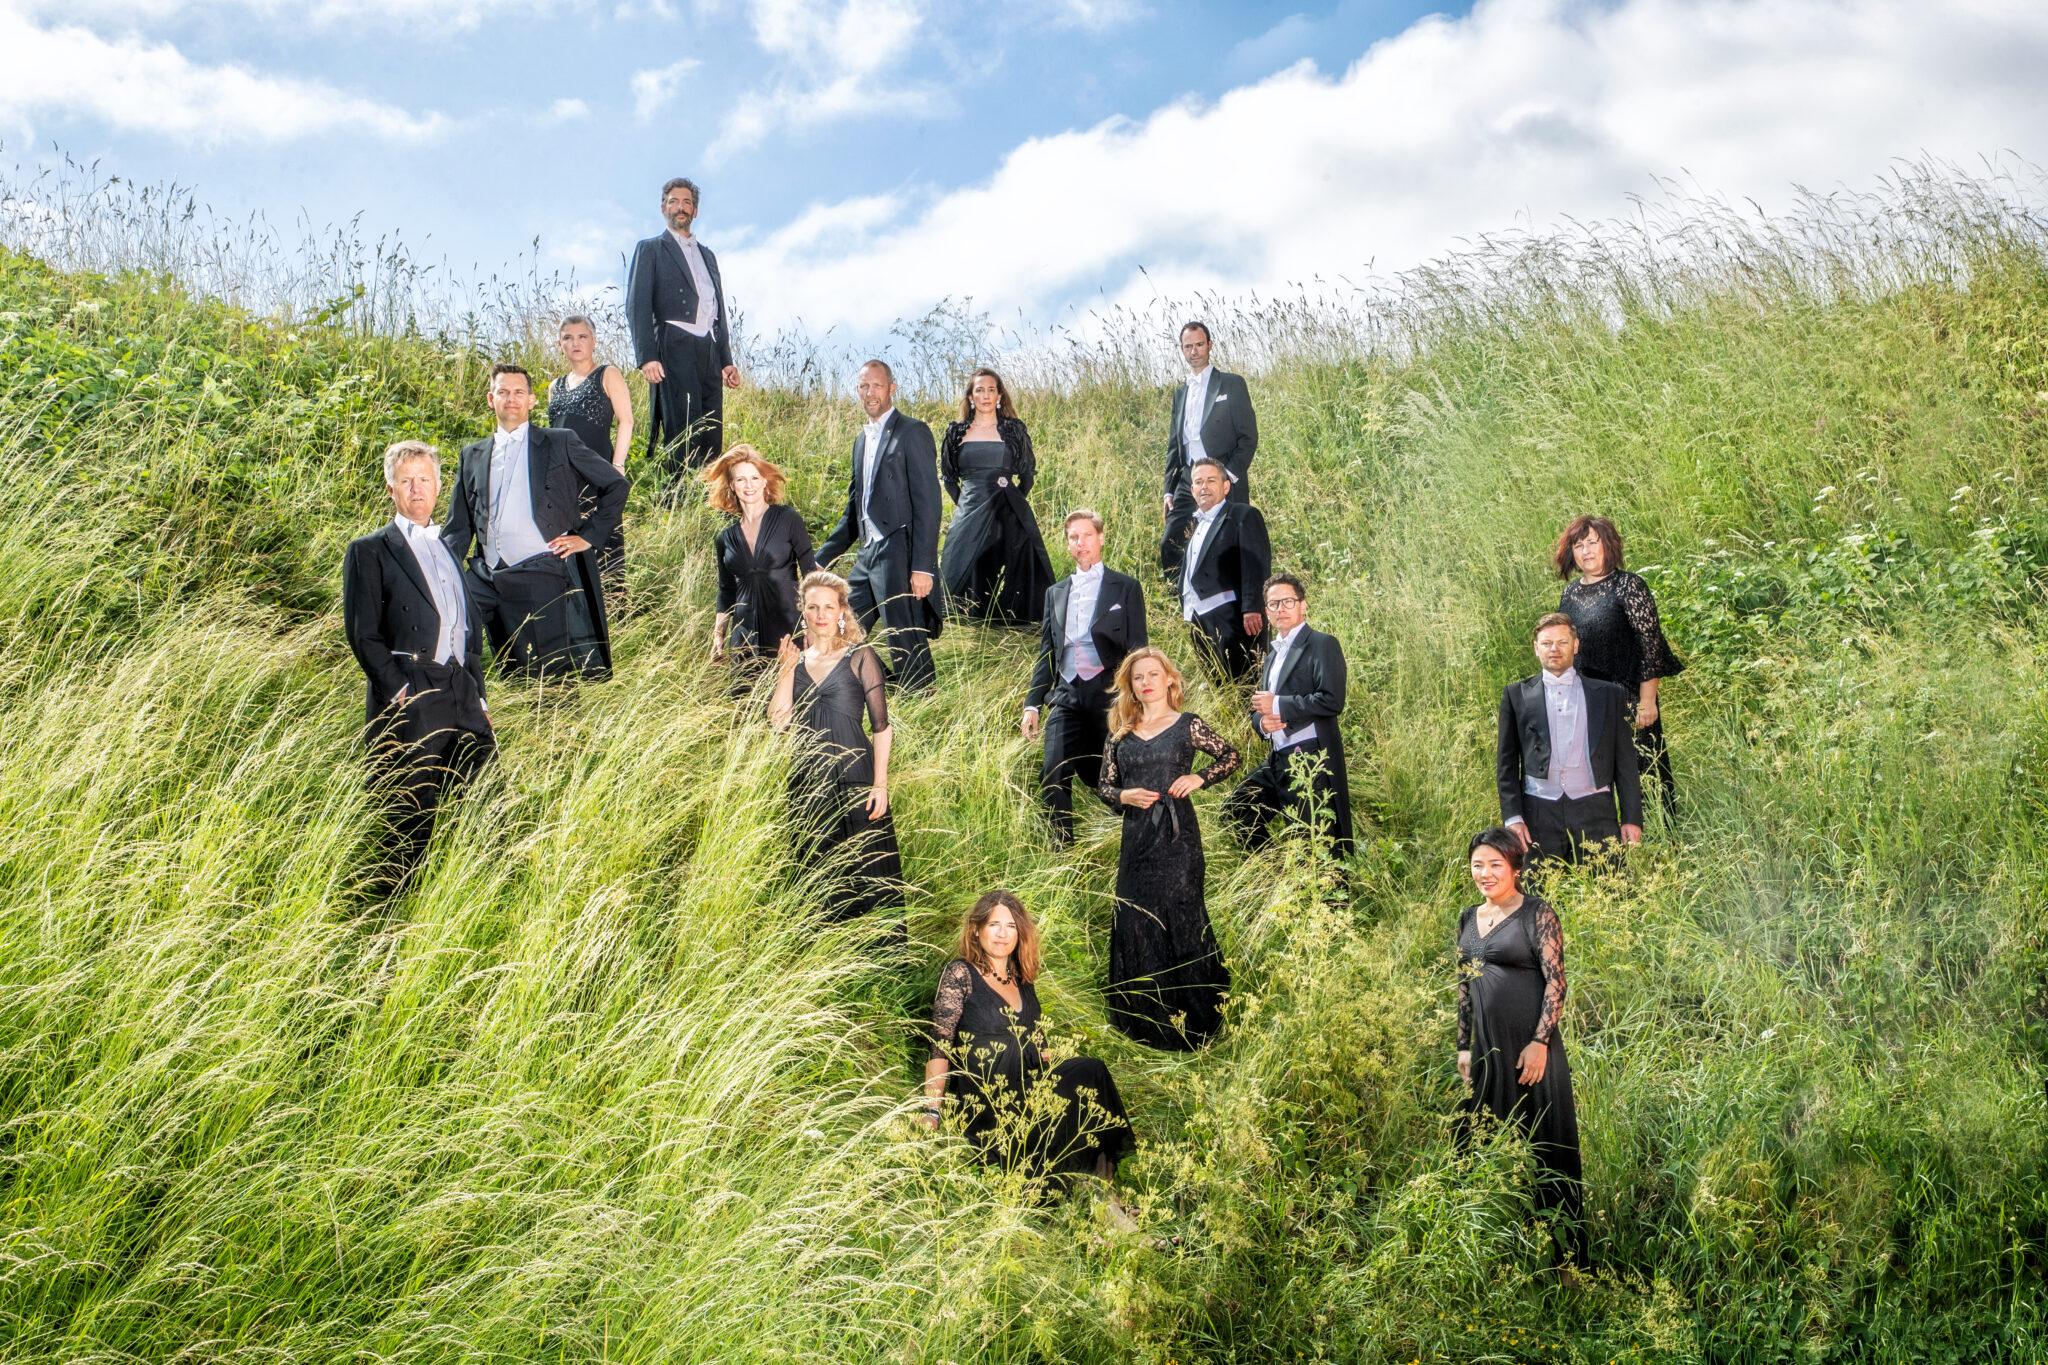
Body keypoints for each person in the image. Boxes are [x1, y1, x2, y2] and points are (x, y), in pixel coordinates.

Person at [342, 441, 495, 888]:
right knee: (410, 810)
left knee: (485, 797)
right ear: (391, 488)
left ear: (438, 485)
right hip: (412, 688)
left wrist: (479, 694)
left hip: (460, 687)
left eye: (424, 480)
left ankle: (472, 894)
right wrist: (399, 690)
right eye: (406, 481)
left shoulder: (449, 549)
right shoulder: (370, 550)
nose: (416, 489)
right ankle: (397, 910)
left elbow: (468, 629)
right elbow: (362, 632)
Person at [921, 890, 1136, 1192]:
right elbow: (940, 1045)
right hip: (990, 1096)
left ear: (1020, 934)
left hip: (1030, 1085)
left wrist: (1056, 1081)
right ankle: (1085, 1190)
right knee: (1018, 1059)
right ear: (977, 929)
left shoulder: (1022, 978)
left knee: (1092, 1072)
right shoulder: (961, 974)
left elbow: (1040, 1042)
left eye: (1011, 926)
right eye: (994, 924)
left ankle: (1105, 1194)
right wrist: (932, 1111)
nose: (1002, 934)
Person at [1096, 647, 1241, 1050]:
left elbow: (1232, 756)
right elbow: (1104, 787)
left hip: (1179, 842)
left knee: (1181, 914)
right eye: (1138, 677)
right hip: (1137, 841)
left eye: (1153, 675)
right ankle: (1145, 1020)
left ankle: (1197, 1020)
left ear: (1169, 680)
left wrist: (1198, 779)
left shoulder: (1187, 725)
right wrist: (1123, 796)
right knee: (1136, 918)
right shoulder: (1120, 732)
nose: (1146, 682)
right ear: (1131, 686)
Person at [443, 364, 628, 679]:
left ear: (531, 400)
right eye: (503, 392)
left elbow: (616, 485)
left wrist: (588, 535)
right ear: (491, 399)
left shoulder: (560, 442)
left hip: (541, 569)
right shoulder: (472, 455)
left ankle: (559, 724)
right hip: (485, 575)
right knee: (451, 633)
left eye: (519, 392)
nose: (511, 399)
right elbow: (458, 526)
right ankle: (467, 708)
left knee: (551, 675)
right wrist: (441, 575)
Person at [1456, 826, 1587, 1270]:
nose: (1485, 873)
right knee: (1481, 1143)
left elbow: (1557, 981)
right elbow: (1464, 985)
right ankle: (1494, 1254)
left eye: (1495, 864)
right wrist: (1463, 1047)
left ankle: (1568, 1262)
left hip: (1533, 1056)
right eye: (1478, 864)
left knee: (1548, 1149)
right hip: (1489, 1055)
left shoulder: (1537, 913)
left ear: (1515, 867)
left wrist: (1539, 1041)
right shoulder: (1467, 917)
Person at [769, 571, 904, 938]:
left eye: (829, 606)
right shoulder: (795, 661)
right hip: (807, 776)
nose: (821, 613)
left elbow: (881, 726)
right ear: (804, 612)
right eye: (813, 607)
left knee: (865, 860)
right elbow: (778, 723)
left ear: (842, 611)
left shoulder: (860, 656)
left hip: (855, 773)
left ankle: (879, 951)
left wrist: (881, 784)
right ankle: (823, 945)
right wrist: (784, 671)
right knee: (816, 859)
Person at [1022, 510, 1148, 846]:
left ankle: (1134, 839)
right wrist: (1032, 704)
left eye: (1087, 535)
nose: (1081, 543)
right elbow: (1047, 653)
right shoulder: (1056, 593)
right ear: (1068, 545)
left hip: (1109, 696)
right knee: (1053, 772)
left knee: (1110, 777)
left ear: (1101, 538)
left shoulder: (1126, 588)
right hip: (1066, 695)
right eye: (1074, 537)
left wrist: (1141, 703)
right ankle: (1062, 853)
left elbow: (1139, 651)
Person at [816, 360, 943, 691]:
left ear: (891, 389)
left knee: (904, 636)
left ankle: (924, 698)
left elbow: (929, 504)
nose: (870, 392)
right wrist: (818, 559)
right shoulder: (861, 440)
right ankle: (883, 682)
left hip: (899, 550)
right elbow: (853, 511)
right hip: (867, 554)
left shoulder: (912, 432)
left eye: (876, 385)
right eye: (863, 386)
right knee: (839, 631)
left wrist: (923, 567)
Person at [1554, 515, 1684, 815]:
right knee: (1593, 782)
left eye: (1592, 543)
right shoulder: (1570, 593)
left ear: (1608, 545)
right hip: (1584, 701)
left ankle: (1661, 844)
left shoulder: (1629, 586)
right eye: (1578, 545)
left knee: (1642, 777)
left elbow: (1649, 647)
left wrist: (1647, 701)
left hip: (1627, 699)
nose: (1586, 551)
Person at [1223, 573, 1354, 859]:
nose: (1280, 608)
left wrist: (1279, 704)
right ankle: (1278, 874)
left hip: (1311, 758)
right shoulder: (1271, 657)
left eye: (1287, 601)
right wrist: (1262, 724)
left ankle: (1327, 901)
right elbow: (1259, 708)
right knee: (1236, 810)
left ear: (1303, 605)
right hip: (1277, 757)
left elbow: (1332, 700)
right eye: (1273, 604)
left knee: (1317, 846)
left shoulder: (1322, 643)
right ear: (1266, 612)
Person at [1497, 613, 1643, 863]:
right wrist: (1513, 818)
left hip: (1595, 808)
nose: (1554, 649)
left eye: (1562, 642)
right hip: (1538, 810)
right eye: (1546, 643)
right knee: (1539, 893)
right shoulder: (1515, 695)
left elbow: (1626, 763)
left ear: (1575, 646)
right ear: (1536, 648)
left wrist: (1631, 818)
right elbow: (1506, 765)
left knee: (1610, 889)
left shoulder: (1608, 694)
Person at [625, 176, 740, 477]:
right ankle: (675, 503)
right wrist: (647, 355)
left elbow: (718, 309)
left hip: (708, 348)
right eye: (674, 201)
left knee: (712, 430)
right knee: (682, 429)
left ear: (695, 211)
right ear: (663, 207)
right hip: (674, 343)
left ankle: (708, 505)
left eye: (687, 202)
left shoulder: (708, 255)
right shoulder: (650, 249)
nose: (680, 207)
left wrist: (726, 360)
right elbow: (637, 304)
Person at [938, 367, 1055, 626]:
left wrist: (1009, 501)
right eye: (980, 390)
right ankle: (965, 625)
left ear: (1000, 395)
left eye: (992, 389)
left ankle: (1012, 623)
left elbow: (1027, 476)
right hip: (969, 511)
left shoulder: (1013, 430)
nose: (986, 395)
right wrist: (970, 503)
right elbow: (948, 479)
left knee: (1020, 565)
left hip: (1008, 511)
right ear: (970, 396)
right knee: (955, 567)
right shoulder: (956, 432)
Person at [705, 445, 818, 678]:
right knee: (744, 706)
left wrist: (812, 627)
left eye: (755, 477)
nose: (749, 485)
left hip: (787, 629)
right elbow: (726, 591)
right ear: (732, 486)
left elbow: (811, 576)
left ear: (765, 481)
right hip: (743, 635)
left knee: (789, 705)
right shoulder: (726, 538)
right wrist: (719, 635)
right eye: (741, 479)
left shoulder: (787, 518)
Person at [1160, 320, 1257, 579]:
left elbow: (1248, 437)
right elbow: (1173, 445)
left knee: (1227, 543)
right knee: (1170, 543)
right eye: (1188, 346)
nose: (1194, 351)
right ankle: (1182, 603)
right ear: (1181, 349)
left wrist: (1229, 476)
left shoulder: (1231, 384)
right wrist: (1168, 491)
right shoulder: (1180, 394)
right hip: (1188, 478)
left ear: (1210, 345)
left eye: (1199, 344)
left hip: (1221, 473)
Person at [547, 314, 635, 595]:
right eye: (568, 337)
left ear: (593, 341)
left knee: (603, 542)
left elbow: (627, 420)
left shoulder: (607, 374)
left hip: (597, 475)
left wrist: (617, 465)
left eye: (582, 336)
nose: (576, 343)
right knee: (567, 545)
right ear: (560, 343)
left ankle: (612, 608)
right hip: (563, 480)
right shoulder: (555, 386)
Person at [1178, 456, 1270, 683]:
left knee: (1246, 684)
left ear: (1226, 486)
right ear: (1191, 489)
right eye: (1198, 482)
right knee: (1218, 686)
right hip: (1198, 618)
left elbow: (1255, 563)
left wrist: (1252, 607)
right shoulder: (1196, 526)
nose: (1204, 487)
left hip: (1234, 618)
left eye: (1211, 481)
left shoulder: (1242, 515)